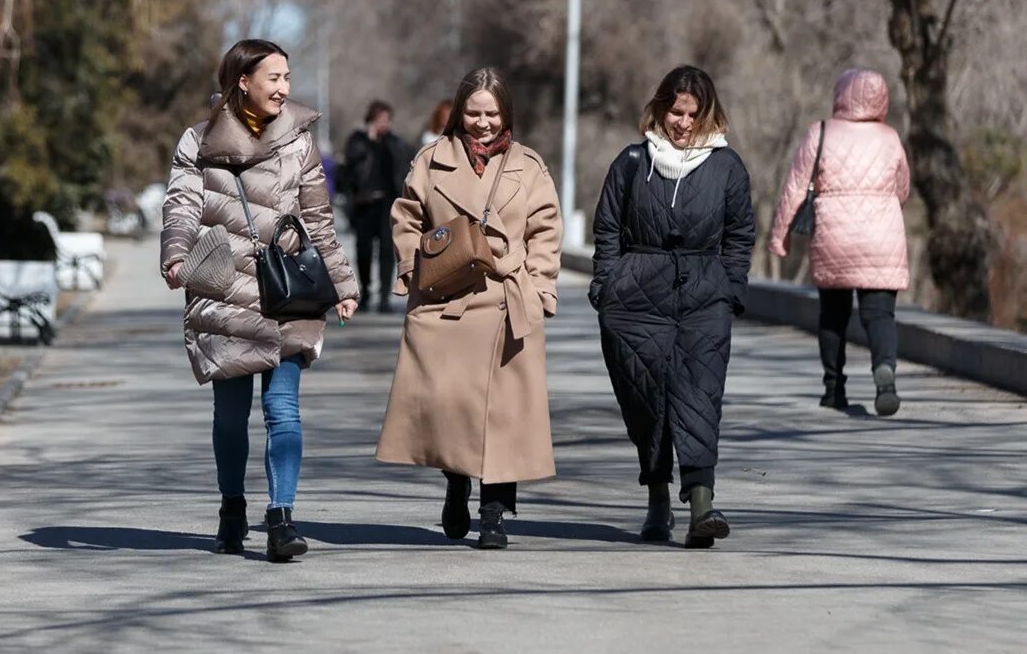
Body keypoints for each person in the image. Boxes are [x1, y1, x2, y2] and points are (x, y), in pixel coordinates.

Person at [160, 38, 359, 562]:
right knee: (230, 416)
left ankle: (281, 518)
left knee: (282, 408)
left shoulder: (299, 141)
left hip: (287, 288)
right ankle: (232, 507)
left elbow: (319, 220)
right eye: (274, 78)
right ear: (243, 81)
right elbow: (181, 204)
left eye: (287, 78)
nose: (285, 88)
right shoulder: (197, 141)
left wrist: (342, 284)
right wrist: (176, 256)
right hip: (223, 286)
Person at [376, 67, 562, 549]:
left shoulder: (529, 165)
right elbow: (406, 218)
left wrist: (540, 289)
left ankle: (495, 513)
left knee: (504, 418)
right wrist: (413, 271)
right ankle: (456, 483)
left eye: (492, 113)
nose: (482, 123)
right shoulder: (430, 160)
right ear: (459, 112)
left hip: (507, 300)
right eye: (474, 112)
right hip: (447, 300)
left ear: (506, 115)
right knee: (449, 410)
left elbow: (546, 230)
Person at [590, 65, 755, 549]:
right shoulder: (631, 162)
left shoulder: (727, 168)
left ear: (708, 115)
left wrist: (731, 290)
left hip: (704, 297)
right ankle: (657, 499)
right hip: (635, 297)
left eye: (693, 113)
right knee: (647, 404)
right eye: (675, 111)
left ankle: (702, 503)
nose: (683, 122)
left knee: (701, 396)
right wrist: (607, 286)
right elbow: (607, 229)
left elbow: (740, 235)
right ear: (660, 109)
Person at [768, 68, 910, 416]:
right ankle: (885, 372)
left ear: (840, 95)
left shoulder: (821, 132)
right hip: (881, 239)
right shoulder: (889, 137)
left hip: (834, 238)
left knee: (833, 315)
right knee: (880, 315)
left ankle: (834, 388)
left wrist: (778, 236)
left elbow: (794, 188)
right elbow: (903, 188)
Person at [343, 100, 417, 312]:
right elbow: (352, 168)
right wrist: (369, 141)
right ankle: (366, 292)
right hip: (364, 203)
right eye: (379, 120)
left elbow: (403, 166)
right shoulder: (357, 141)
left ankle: (384, 296)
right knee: (363, 250)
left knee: (387, 250)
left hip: (388, 203)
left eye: (386, 120)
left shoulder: (395, 142)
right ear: (370, 121)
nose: (383, 124)